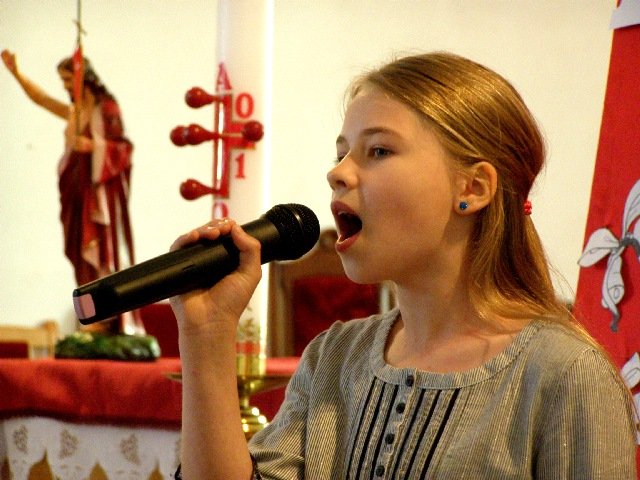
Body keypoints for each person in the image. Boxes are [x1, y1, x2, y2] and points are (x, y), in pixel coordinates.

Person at [169, 52, 637, 479]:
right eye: (341, 154)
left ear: (473, 188)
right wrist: (206, 334)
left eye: (378, 151)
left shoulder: (563, 374)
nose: (337, 172)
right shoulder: (334, 360)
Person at [2, 50, 137, 333]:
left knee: (98, 250)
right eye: (62, 81)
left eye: (67, 80)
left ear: (83, 77)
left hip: (96, 196)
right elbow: (42, 99)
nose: (64, 86)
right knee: (79, 252)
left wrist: (93, 146)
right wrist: (16, 73)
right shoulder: (76, 112)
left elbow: (123, 148)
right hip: (74, 191)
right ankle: (93, 317)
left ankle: (106, 319)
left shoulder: (106, 109)